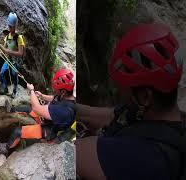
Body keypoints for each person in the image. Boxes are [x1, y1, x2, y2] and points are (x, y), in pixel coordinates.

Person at [76, 23, 186, 180]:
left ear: (145, 97)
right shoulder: (169, 119)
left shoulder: (142, 159)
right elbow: (112, 115)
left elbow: (75, 152)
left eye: (122, 89)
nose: (118, 92)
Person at [0, 68, 76, 155]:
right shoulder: (66, 96)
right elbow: (54, 98)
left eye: (56, 88)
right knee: (25, 109)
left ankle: (6, 148)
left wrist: (31, 91)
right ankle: (10, 111)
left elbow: (36, 108)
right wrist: (42, 96)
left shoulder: (65, 111)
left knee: (17, 132)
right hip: (48, 119)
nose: (54, 90)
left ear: (63, 91)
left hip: (49, 130)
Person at [0, 12, 26, 99]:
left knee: (14, 75)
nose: (10, 28)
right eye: (9, 26)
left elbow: (20, 53)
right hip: (8, 59)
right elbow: (5, 49)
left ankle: (15, 91)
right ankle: (5, 87)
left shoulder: (19, 38)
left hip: (16, 61)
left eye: (12, 26)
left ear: (15, 26)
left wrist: (7, 51)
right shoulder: (7, 37)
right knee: (1, 73)